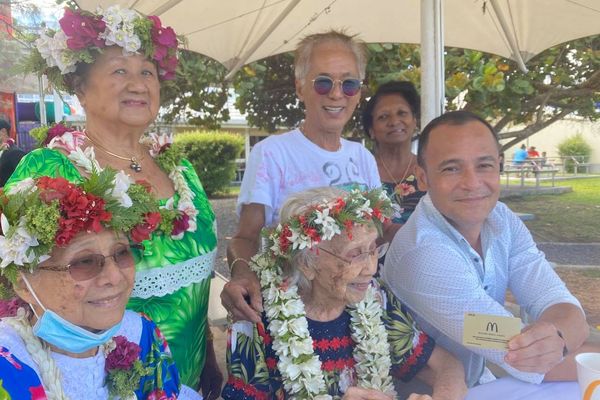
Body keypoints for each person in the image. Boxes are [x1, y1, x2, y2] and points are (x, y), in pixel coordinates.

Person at [5, 6, 221, 396]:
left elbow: (194, 281)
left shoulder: (181, 168)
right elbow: (12, 283)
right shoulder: (51, 169)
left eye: (147, 72)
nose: (138, 84)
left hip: (182, 379)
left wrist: (207, 353)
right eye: (120, 70)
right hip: (98, 383)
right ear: (80, 89)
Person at [382, 111, 590, 388]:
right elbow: (518, 353)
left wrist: (560, 336)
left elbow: (559, 302)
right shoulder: (422, 255)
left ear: (499, 167)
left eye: (484, 165)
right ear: (422, 178)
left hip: (480, 383)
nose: (472, 182)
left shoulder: (501, 218)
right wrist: (561, 338)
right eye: (451, 168)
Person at [222, 187, 467, 400]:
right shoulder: (256, 319)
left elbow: (446, 365)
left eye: (373, 250)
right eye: (355, 254)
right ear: (306, 263)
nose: (371, 268)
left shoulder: (376, 299)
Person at [223, 30, 399, 324]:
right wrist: (242, 274)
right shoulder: (272, 153)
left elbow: (382, 231)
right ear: (300, 87)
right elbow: (245, 237)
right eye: (323, 82)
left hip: (356, 312)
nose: (336, 93)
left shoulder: (363, 157)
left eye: (349, 84)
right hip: (292, 318)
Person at [0, 172, 200, 399]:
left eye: (122, 253)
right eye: (84, 262)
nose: (114, 277)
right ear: (23, 285)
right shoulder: (6, 367)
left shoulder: (142, 335)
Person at [362, 81, 426, 224]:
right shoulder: (359, 171)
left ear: (414, 121)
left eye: (402, 113)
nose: (394, 121)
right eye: (383, 117)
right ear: (371, 130)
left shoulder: (430, 170)